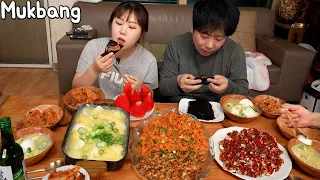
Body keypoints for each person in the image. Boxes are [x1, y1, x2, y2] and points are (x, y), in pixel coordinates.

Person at [159, 0, 248, 102]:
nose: (209, 45)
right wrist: (178, 83)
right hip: (179, 107)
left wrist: (228, 87)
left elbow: (244, 93)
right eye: (204, 35)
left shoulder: (235, 51)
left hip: (219, 108)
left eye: (218, 39)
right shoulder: (175, 44)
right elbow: (163, 88)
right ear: (193, 28)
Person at [72, 1, 158, 99]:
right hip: (95, 107)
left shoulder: (149, 60)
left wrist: (139, 90)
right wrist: (94, 70)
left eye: (131, 27)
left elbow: (149, 98)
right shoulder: (94, 47)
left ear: (141, 33)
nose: (123, 31)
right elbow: (75, 89)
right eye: (118, 23)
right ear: (111, 24)